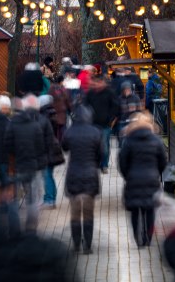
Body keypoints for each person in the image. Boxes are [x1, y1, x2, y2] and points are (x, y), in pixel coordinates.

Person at [119, 111, 167, 248]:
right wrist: (156, 173)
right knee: (150, 210)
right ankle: (148, 238)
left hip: (133, 179)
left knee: (135, 211)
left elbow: (122, 161)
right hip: (151, 179)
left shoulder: (128, 141)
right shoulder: (156, 141)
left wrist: (127, 175)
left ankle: (138, 238)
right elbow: (162, 161)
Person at [62, 105, 102, 254]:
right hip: (90, 175)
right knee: (88, 212)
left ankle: (76, 244)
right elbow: (101, 153)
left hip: (74, 174)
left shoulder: (69, 132)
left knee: (75, 212)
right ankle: (88, 246)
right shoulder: (96, 132)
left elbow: (64, 148)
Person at [4, 95, 45, 235]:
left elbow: (7, 146)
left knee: (13, 199)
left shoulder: (11, 126)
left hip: (15, 167)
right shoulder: (35, 126)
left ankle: (14, 229)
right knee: (31, 199)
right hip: (30, 166)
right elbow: (41, 147)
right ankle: (31, 229)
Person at [84, 75, 119, 173]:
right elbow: (85, 106)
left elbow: (115, 106)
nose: (97, 85)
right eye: (96, 82)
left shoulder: (109, 93)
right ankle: (96, 163)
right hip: (92, 124)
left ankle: (104, 165)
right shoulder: (90, 93)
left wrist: (111, 119)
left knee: (104, 145)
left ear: (103, 83)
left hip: (105, 124)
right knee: (94, 145)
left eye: (99, 82)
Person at [38, 94, 65, 209]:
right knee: (49, 174)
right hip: (52, 149)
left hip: (47, 150)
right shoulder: (52, 113)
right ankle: (50, 198)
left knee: (46, 174)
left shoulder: (44, 116)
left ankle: (49, 199)